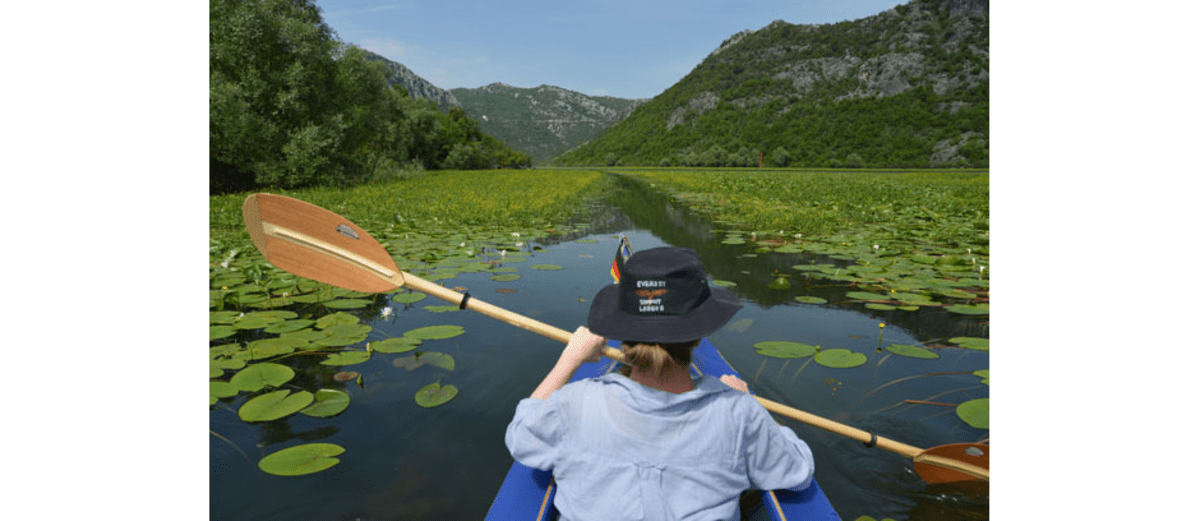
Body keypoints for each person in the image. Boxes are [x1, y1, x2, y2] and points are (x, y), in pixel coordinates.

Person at [505, 247, 815, 520]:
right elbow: (798, 472)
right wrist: (747, 402)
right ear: (698, 336)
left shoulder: (573, 404)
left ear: (623, 331)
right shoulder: (739, 412)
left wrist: (569, 359)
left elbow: (521, 437)